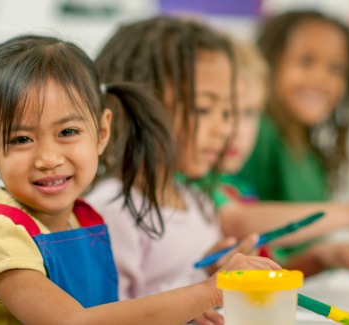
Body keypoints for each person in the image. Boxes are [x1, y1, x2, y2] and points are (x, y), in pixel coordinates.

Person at [0, 34, 279, 325]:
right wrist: (208, 292)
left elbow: (116, 313)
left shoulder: (83, 218)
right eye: (21, 140)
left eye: (68, 131)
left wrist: (190, 300)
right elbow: (72, 322)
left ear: (102, 131)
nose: (48, 158)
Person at [87, 16, 246, 303]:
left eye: (226, 112)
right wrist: (205, 284)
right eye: (202, 109)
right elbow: (111, 314)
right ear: (139, 106)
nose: (223, 129)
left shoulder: (196, 200)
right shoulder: (113, 208)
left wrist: (220, 271)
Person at [233, 11, 349, 273]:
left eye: (336, 68)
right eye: (306, 61)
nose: (321, 78)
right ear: (268, 64)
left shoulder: (309, 150)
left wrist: (321, 257)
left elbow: (281, 268)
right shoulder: (256, 135)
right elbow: (240, 230)